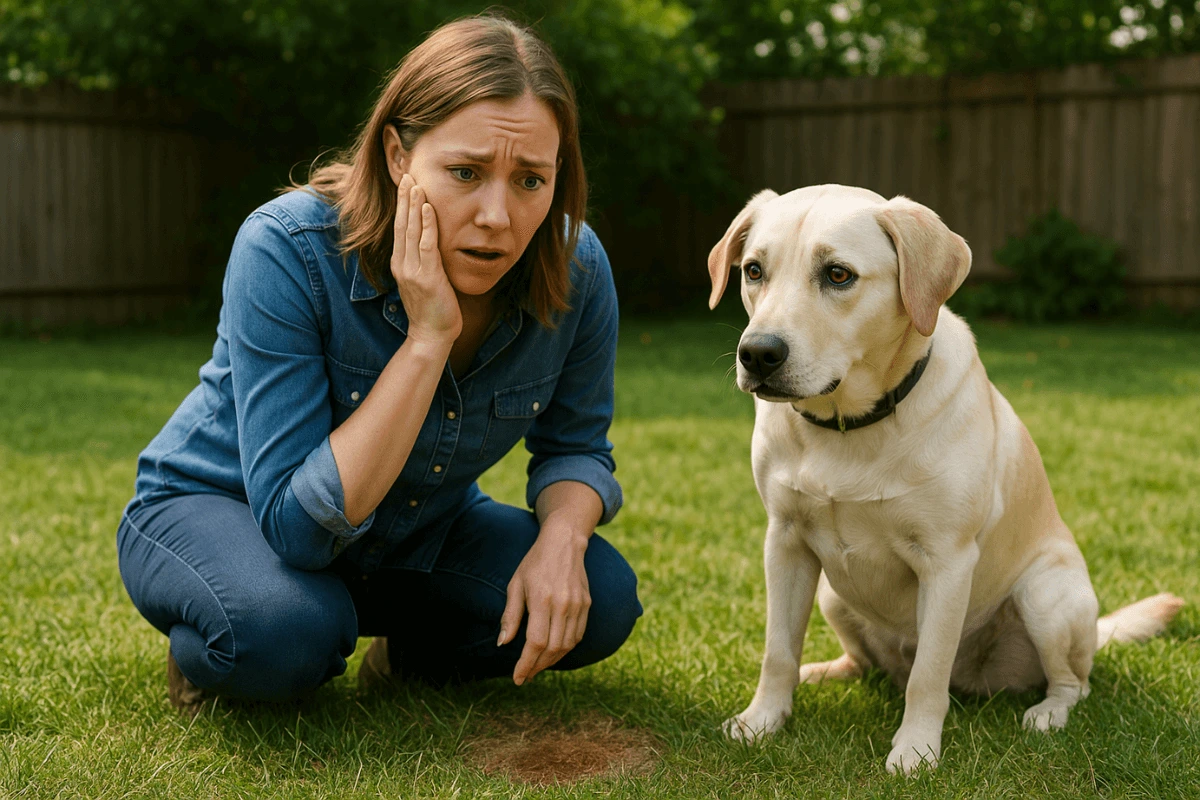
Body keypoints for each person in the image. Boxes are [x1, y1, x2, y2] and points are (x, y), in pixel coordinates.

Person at [116, 13, 641, 714]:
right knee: (284, 632)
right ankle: (222, 637)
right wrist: (427, 339)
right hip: (224, 508)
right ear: (398, 156)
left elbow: (575, 446)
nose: (497, 215)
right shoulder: (287, 249)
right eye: (465, 172)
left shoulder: (576, 267)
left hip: (414, 530)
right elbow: (297, 528)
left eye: (530, 181)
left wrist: (562, 538)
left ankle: (410, 652)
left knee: (598, 600)